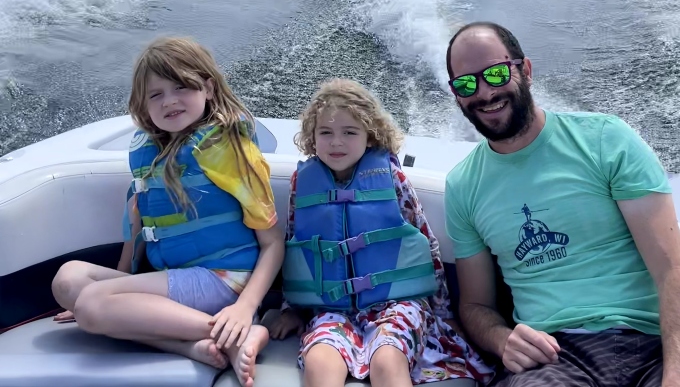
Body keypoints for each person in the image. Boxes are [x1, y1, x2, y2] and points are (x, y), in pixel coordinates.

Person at [444, 21, 680, 386]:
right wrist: (502, 339)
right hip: (554, 358)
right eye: (466, 83)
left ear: (525, 70)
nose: (485, 92)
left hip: (650, 342)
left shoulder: (605, 140)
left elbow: (671, 269)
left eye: (495, 73)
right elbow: (475, 306)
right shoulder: (463, 187)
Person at [51, 36, 284, 387]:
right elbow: (139, 231)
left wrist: (245, 307)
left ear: (207, 87)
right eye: (155, 94)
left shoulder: (228, 151)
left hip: (226, 281)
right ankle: (193, 346)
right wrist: (118, 296)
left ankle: (236, 332)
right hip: (180, 283)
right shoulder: (150, 157)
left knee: (90, 306)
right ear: (143, 106)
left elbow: (273, 243)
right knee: (68, 280)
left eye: (181, 87)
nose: (169, 101)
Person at [269, 79, 493, 387]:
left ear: (370, 136)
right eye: (325, 133)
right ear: (312, 136)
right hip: (331, 309)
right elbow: (296, 249)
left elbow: (427, 243)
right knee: (319, 362)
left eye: (350, 132)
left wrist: (444, 313)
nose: (336, 142)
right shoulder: (302, 183)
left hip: (397, 304)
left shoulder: (391, 178)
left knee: (387, 360)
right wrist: (290, 309)